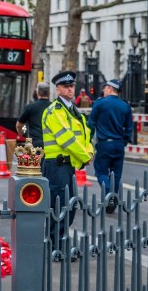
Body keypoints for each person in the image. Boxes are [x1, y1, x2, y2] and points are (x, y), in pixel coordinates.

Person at [41, 70, 94, 248]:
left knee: (69, 206)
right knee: (59, 205)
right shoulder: (54, 111)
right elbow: (66, 139)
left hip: (68, 165)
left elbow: (85, 133)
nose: (70, 89)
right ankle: (56, 245)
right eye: (66, 86)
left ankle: (60, 241)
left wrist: (90, 151)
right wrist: (85, 156)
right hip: (56, 165)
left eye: (72, 86)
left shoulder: (72, 110)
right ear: (58, 89)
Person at [87, 79, 134, 213]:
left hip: (104, 144)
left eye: (105, 88)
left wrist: (87, 141)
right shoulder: (125, 106)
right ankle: (112, 201)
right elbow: (129, 128)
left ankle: (109, 194)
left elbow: (91, 124)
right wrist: (124, 141)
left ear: (109, 88)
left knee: (101, 172)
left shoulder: (100, 103)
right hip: (119, 144)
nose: (103, 91)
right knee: (116, 174)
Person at [16, 82, 51, 148]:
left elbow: (19, 125)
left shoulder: (30, 107)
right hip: (50, 144)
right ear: (49, 93)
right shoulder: (54, 107)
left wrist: (22, 133)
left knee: (35, 158)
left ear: (37, 92)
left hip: (35, 144)